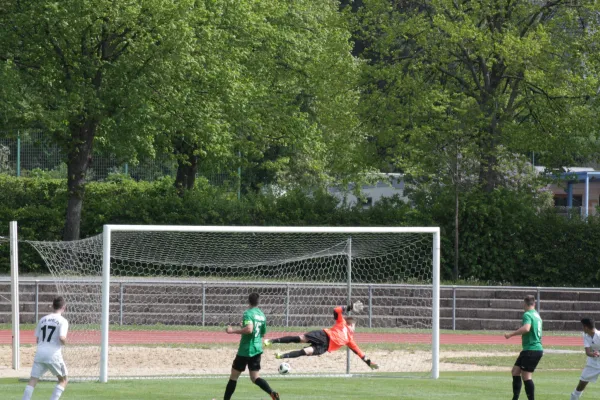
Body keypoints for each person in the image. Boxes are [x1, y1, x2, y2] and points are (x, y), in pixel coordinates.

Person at [264, 301, 379, 370]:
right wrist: (350, 307)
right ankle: (272, 341)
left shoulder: (350, 340)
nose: (355, 329)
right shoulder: (342, 322)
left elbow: (360, 353)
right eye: (354, 326)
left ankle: (281, 356)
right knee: (299, 339)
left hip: (324, 347)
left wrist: (369, 363)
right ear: (350, 324)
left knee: (305, 352)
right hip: (323, 335)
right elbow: (336, 310)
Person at [223, 292, 280, 400]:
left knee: (234, 377)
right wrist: (244, 326)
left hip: (245, 349)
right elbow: (262, 334)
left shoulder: (248, 313)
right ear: (258, 302)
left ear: (248, 301)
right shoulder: (262, 315)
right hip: (257, 349)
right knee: (255, 377)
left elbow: (249, 329)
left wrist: (232, 331)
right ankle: (272, 393)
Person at [22, 296, 69, 400]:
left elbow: (38, 340)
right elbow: (62, 337)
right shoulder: (63, 321)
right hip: (53, 355)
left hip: (40, 353)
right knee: (63, 380)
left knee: (33, 380)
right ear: (64, 307)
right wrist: (66, 343)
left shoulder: (43, 319)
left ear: (52, 306)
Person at [504, 295, 543, 400]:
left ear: (525, 304)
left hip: (532, 349)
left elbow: (526, 328)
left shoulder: (527, 314)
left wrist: (511, 335)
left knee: (526, 376)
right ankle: (515, 398)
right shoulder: (537, 315)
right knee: (515, 371)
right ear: (534, 304)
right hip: (530, 349)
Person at [570, 318, 600, 400]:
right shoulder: (585, 335)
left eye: (582, 326)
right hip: (593, 363)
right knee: (582, 382)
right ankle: (573, 398)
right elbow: (587, 352)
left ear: (586, 327)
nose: (582, 328)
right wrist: (593, 354)